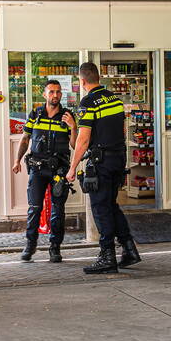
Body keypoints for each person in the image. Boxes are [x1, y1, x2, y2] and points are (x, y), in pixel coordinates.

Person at [66, 62, 142, 274]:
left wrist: (72, 168)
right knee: (111, 205)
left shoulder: (89, 102)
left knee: (100, 209)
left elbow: (83, 139)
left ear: (82, 81)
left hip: (102, 162)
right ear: (98, 77)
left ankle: (107, 256)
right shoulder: (115, 100)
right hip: (118, 159)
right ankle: (129, 249)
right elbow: (123, 129)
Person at [13, 80, 77, 263]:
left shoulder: (67, 115)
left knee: (58, 210)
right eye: (51, 92)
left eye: (58, 92)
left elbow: (74, 144)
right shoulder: (36, 114)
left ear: (61, 95)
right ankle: (30, 245)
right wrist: (17, 160)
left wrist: (73, 127)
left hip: (59, 170)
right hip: (38, 169)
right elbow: (25, 139)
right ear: (44, 95)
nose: (55, 95)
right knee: (34, 208)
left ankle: (55, 248)